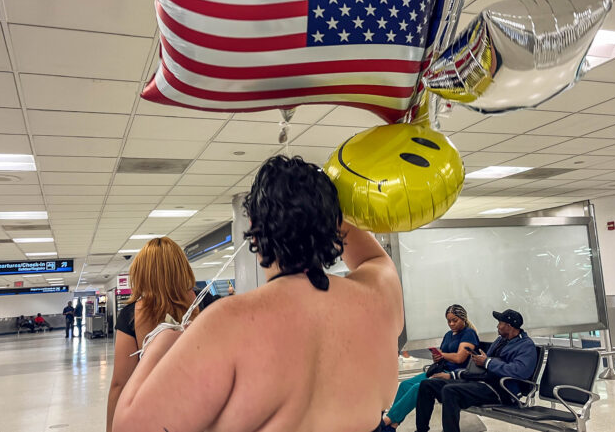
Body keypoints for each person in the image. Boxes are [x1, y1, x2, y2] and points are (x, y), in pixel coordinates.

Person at [112, 155, 403, 432]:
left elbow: (130, 427)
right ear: (334, 221)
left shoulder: (228, 321)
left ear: (253, 228)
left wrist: (162, 338)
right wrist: (326, 204)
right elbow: (373, 259)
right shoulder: (379, 296)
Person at [106, 237, 200, 432]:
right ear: (182, 268)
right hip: (201, 408)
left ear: (141, 273)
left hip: (153, 414)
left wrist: (110, 428)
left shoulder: (131, 315)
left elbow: (119, 384)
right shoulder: (205, 305)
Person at [415, 309, 537, 432]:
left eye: (500, 323)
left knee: (450, 391)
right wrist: (452, 376)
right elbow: (481, 369)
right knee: (428, 384)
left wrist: (487, 362)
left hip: (502, 390)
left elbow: (520, 371)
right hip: (482, 383)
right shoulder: (500, 340)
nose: (497, 326)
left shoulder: (525, 345)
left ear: (509, 326)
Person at [382, 305, 479, 431]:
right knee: (405, 385)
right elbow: (446, 356)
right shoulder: (449, 335)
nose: (451, 324)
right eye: (449, 321)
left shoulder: (469, 334)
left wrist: (443, 354)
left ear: (463, 319)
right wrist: (438, 357)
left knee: (419, 387)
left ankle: (388, 421)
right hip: (441, 370)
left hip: (454, 374)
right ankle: (393, 425)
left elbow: (460, 358)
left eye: (455, 320)